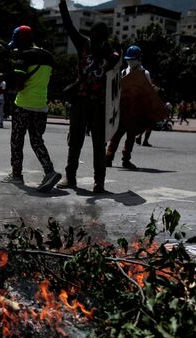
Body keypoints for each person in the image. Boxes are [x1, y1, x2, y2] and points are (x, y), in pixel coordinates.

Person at [56, 0, 120, 193]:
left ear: (103, 38)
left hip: (99, 104)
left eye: (98, 37)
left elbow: (117, 61)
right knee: (74, 141)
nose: (94, 39)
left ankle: (99, 181)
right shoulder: (83, 44)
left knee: (99, 144)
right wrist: (62, 7)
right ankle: (70, 176)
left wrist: (110, 56)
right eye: (93, 36)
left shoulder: (109, 51)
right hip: (79, 101)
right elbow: (69, 26)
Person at [0, 25, 62, 192]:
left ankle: (17, 175)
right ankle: (49, 171)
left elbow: (20, 86)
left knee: (17, 140)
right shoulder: (48, 56)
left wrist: (13, 79)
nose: (17, 47)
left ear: (23, 40)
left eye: (17, 43)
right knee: (36, 140)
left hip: (23, 105)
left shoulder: (24, 56)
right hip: (41, 106)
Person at [106, 45, 150, 170]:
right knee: (116, 135)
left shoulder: (145, 73)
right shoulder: (124, 72)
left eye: (132, 59)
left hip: (135, 110)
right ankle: (108, 158)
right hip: (122, 109)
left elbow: (148, 92)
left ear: (138, 59)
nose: (130, 61)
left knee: (131, 137)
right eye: (128, 59)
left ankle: (126, 160)